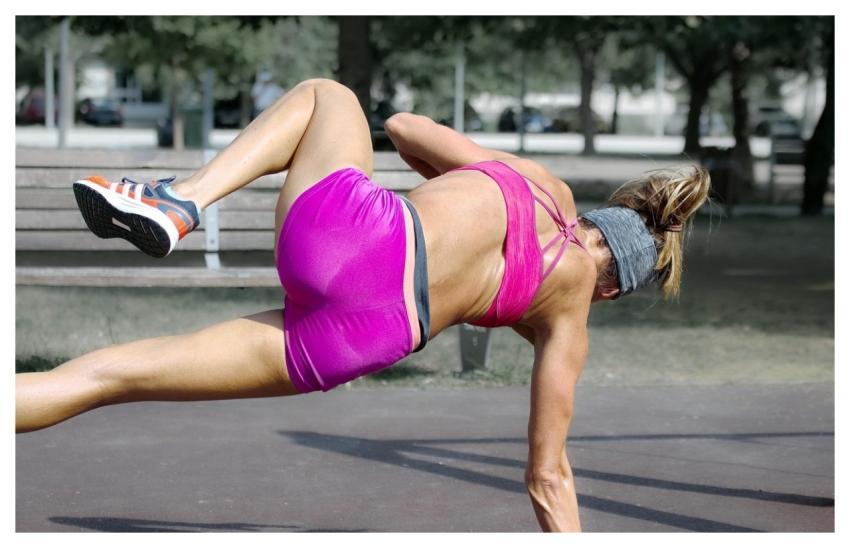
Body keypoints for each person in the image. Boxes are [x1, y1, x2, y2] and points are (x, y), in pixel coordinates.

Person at [17, 78, 710, 532]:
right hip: (359, 338)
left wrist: (467, 180)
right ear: (614, 284)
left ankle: (183, 201)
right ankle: (176, 204)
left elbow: (404, 125)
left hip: (356, 238)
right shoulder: (568, 318)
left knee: (329, 97)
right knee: (113, 380)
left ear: (600, 215)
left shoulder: (537, 182)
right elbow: (548, 475)